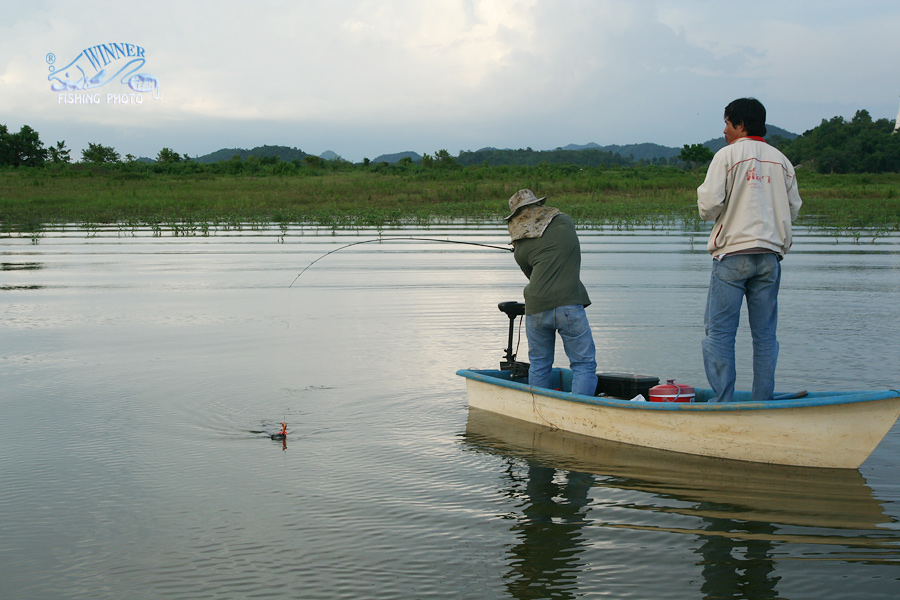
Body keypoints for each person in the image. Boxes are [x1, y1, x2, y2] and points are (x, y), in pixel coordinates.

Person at [697, 98, 802, 403]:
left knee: (719, 335)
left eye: (727, 123)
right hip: (769, 258)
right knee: (765, 336)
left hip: (732, 256)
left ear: (740, 125)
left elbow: (708, 206)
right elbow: (793, 209)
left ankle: (724, 402)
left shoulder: (727, 156)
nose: (724, 130)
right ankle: (761, 402)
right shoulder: (781, 160)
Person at [506, 189, 598, 396]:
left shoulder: (520, 247)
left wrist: (521, 247)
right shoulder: (565, 222)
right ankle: (581, 412)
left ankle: (538, 408)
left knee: (539, 364)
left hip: (536, 307)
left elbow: (532, 276)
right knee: (583, 364)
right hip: (568, 305)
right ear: (539, 206)